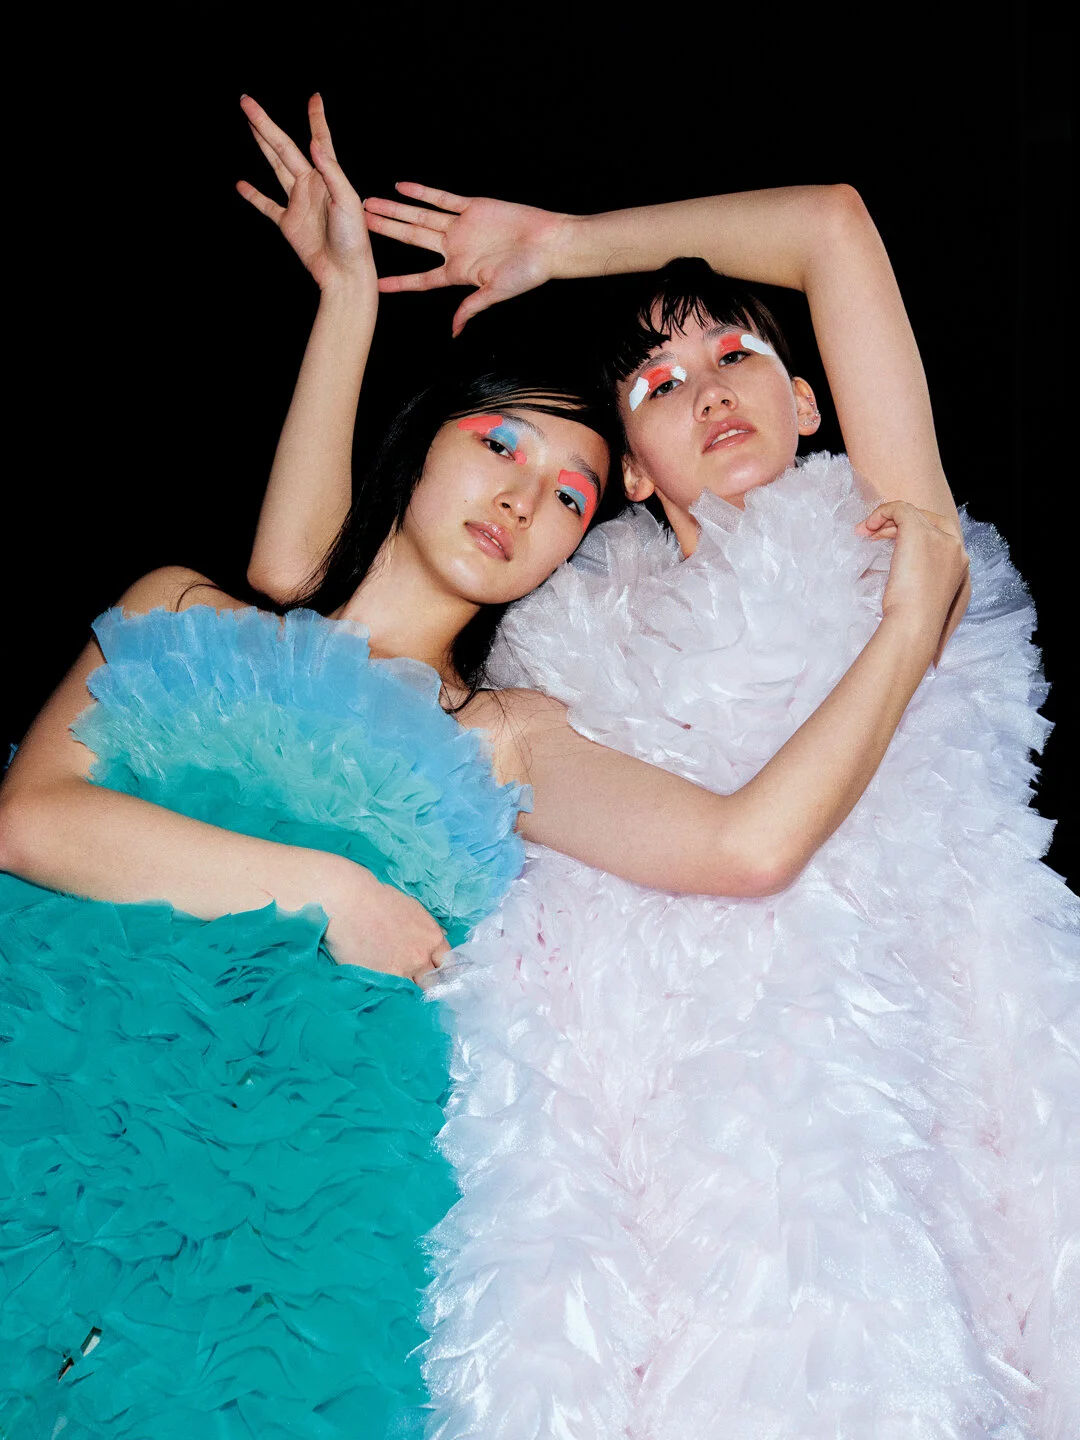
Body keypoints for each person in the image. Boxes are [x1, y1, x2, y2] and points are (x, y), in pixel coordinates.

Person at [0, 100, 967, 1440]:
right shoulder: (182, 611)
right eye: (501, 443)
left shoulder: (508, 735)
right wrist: (328, 892)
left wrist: (913, 625)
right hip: (47, 1108)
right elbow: (31, 820)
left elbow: (745, 848)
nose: (524, 497)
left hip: (290, 1230)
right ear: (425, 444)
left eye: (571, 493)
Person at [255, 167, 1079, 1435]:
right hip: (660, 1183)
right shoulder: (554, 658)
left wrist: (562, 245)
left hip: (905, 1134)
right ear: (632, 472)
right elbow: (321, 596)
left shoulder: (890, 554)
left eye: (736, 355)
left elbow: (831, 224)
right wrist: (350, 305)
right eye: (656, 385)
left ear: (807, 400)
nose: (707, 390)